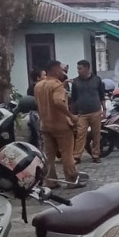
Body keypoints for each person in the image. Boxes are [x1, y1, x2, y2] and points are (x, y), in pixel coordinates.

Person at [35, 60, 84, 188]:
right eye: (59, 68)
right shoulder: (57, 86)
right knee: (67, 153)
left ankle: (51, 181)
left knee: (49, 155)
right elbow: (58, 102)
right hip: (61, 125)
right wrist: (71, 116)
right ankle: (71, 180)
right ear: (55, 70)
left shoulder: (38, 86)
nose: (61, 71)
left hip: (45, 125)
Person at [70, 60, 105, 164]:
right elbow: (74, 99)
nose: (78, 71)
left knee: (96, 135)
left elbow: (101, 96)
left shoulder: (97, 80)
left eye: (80, 68)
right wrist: (73, 113)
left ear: (87, 68)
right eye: (78, 69)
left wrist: (104, 110)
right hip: (82, 113)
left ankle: (96, 155)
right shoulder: (75, 82)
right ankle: (77, 156)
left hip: (96, 111)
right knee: (80, 134)